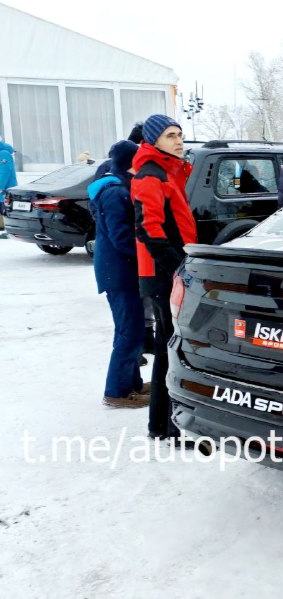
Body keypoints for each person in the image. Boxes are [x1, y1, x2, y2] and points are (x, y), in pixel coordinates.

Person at [132, 114, 197, 438]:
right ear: (153, 140)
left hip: (169, 271)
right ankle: (166, 425)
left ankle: (161, 425)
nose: (178, 140)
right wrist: (178, 266)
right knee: (169, 348)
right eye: (171, 135)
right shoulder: (151, 175)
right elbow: (148, 228)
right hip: (162, 275)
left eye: (180, 134)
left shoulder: (169, 172)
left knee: (167, 345)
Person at [88, 140, 150, 408]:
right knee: (130, 332)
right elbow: (121, 237)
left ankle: (131, 384)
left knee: (129, 330)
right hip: (120, 273)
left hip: (119, 271)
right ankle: (117, 391)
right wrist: (149, 254)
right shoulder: (115, 191)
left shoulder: (113, 185)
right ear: (131, 162)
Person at [0, 138, 18, 223]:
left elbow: (4, 172)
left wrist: (0, 187)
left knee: (5, 219)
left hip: (4, 193)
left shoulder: (3, 153)